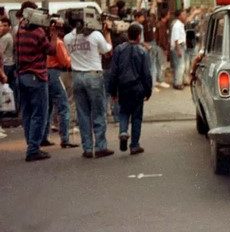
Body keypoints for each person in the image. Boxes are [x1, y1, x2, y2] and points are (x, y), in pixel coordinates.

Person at [64, 16, 114, 159]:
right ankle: (100, 147)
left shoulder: (68, 38)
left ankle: (87, 148)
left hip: (77, 76)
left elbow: (69, 54)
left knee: (83, 114)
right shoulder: (96, 35)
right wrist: (107, 33)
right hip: (93, 75)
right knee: (98, 112)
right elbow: (107, 51)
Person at [15, 1, 58, 162]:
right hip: (36, 76)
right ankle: (33, 149)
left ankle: (30, 143)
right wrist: (53, 34)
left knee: (27, 113)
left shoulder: (20, 29)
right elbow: (51, 50)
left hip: (22, 76)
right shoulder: (38, 32)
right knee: (39, 113)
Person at [109, 24, 152, 155]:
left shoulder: (119, 50)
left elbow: (114, 72)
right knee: (137, 117)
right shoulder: (143, 51)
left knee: (123, 111)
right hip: (138, 88)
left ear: (128, 35)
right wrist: (148, 90)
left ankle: (123, 131)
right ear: (139, 36)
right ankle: (134, 145)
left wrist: (112, 90)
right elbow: (146, 74)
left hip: (123, 87)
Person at [42, 27, 79, 149]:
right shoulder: (58, 43)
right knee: (64, 106)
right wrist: (73, 60)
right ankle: (65, 139)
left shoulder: (44, 41)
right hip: (56, 74)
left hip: (44, 73)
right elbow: (65, 62)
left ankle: (43, 137)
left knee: (48, 107)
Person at [0, 17, 16, 104]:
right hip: (10, 64)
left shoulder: (5, 37)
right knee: (10, 87)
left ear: (9, 27)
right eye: (2, 25)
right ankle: (12, 107)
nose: (3, 27)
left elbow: (1, 52)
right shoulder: (9, 36)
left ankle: (6, 106)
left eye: (5, 25)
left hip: (6, 64)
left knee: (4, 86)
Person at [170, 9, 188, 89]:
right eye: (183, 14)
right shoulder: (177, 25)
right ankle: (178, 83)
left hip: (181, 46)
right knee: (180, 65)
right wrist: (178, 50)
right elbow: (176, 39)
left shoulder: (180, 24)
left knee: (179, 65)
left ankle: (177, 81)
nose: (185, 16)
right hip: (179, 46)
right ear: (179, 16)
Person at [155, 9, 171, 88]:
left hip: (159, 46)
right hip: (161, 47)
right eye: (168, 14)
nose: (169, 15)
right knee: (162, 64)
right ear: (165, 15)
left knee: (158, 64)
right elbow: (161, 38)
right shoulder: (162, 25)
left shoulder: (161, 24)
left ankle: (158, 79)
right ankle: (161, 80)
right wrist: (165, 48)